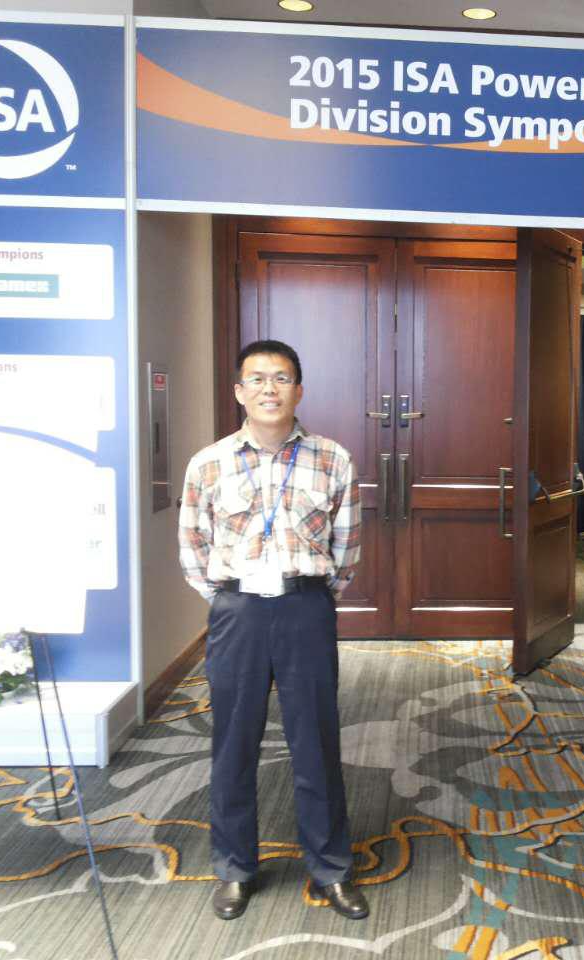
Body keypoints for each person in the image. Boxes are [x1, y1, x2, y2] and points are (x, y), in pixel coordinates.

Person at [178, 339, 368, 922]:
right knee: (233, 741)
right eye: (257, 379)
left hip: (305, 605)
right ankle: (235, 868)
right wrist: (228, 597)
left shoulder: (332, 458)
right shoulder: (208, 463)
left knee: (316, 740)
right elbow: (193, 544)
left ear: (298, 390)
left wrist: (312, 595)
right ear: (239, 391)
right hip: (237, 611)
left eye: (281, 378)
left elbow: (346, 545)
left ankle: (331, 868)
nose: (269, 388)